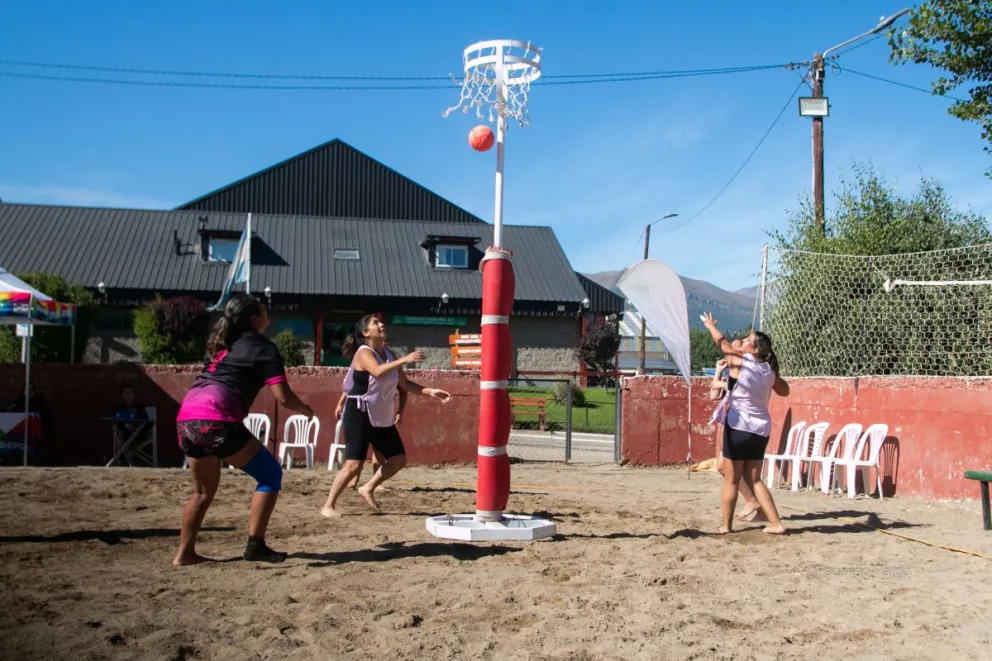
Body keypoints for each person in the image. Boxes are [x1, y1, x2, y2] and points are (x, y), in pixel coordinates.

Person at [174, 293, 314, 567]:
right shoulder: (264, 348)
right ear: (255, 319)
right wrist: (306, 410)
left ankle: (184, 554)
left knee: (202, 492)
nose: (267, 311)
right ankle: (255, 546)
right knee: (270, 474)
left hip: (187, 419)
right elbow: (283, 397)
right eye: (263, 308)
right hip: (217, 420)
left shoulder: (223, 346)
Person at [320, 314, 450, 518]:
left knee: (398, 460)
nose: (381, 325)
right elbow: (377, 371)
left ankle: (368, 488)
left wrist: (430, 391)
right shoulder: (364, 353)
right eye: (375, 323)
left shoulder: (388, 353)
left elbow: (405, 385)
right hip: (359, 413)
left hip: (380, 414)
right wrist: (405, 359)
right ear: (365, 333)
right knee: (353, 465)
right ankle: (328, 505)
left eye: (380, 322)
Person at [702, 312, 789, 535]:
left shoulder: (745, 362)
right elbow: (785, 390)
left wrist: (711, 325)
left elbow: (723, 344)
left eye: (748, 340)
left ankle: (726, 525)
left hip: (739, 426)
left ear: (755, 349)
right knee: (755, 479)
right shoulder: (769, 371)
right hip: (760, 429)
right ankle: (776, 523)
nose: (744, 341)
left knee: (731, 480)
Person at [708, 348, 762, 522]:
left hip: (744, 427)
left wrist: (723, 384)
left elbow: (737, 388)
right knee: (736, 471)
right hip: (733, 427)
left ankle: (752, 502)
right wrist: (718, 372)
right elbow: (713, 395)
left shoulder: (748, 375)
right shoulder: (732, 375)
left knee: (740, 472)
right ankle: (758, 507)